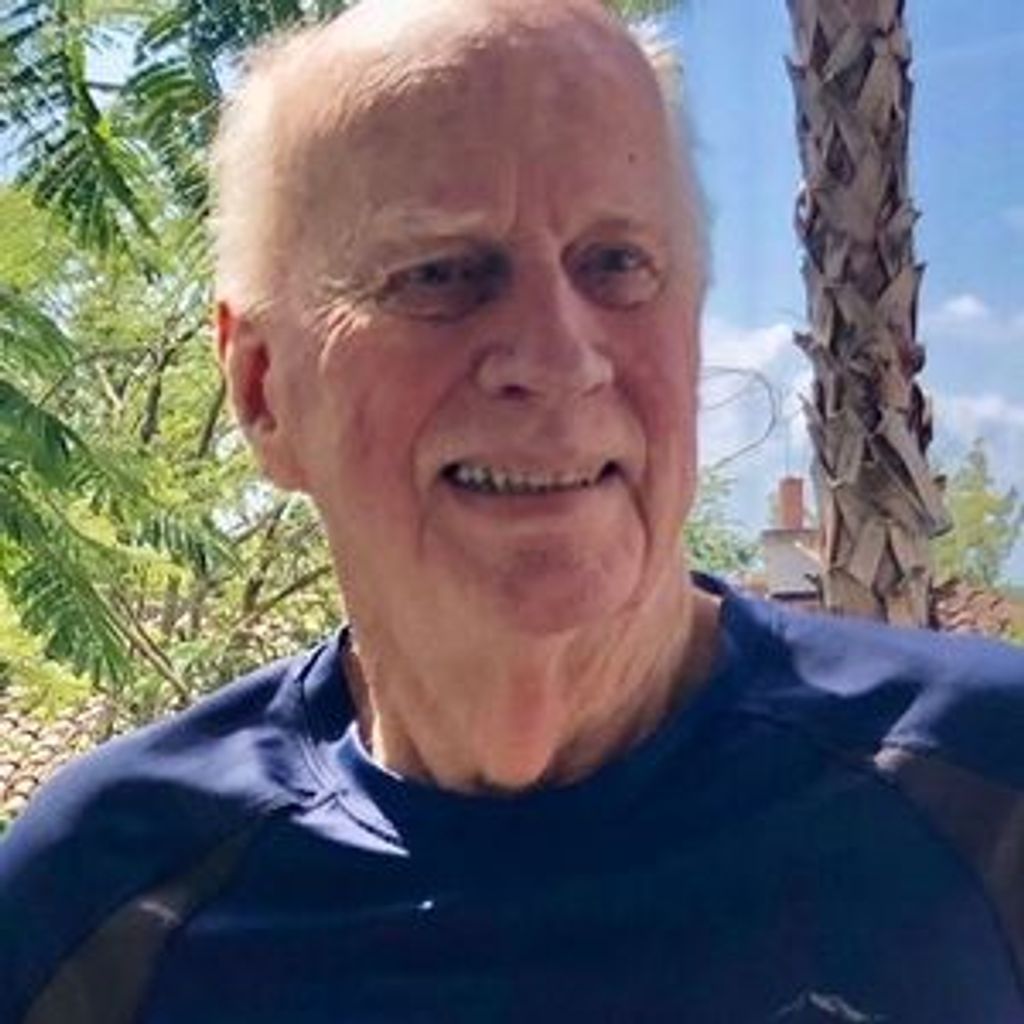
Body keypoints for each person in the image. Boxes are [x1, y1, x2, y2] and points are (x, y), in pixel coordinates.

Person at [2, 1, 1023, 1021]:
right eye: (439, 273)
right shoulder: (100, 911)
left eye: (616, 262)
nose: (558, 357)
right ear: (263, 389)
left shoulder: (987, 796)